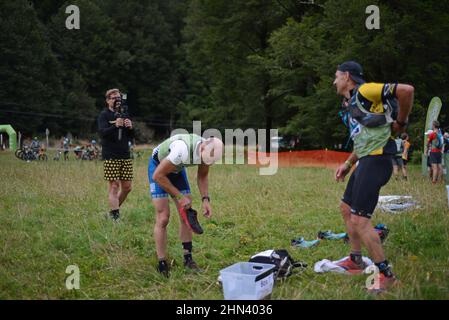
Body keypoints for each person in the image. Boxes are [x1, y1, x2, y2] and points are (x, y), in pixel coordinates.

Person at [333, 61, 413, 292]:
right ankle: (355, 260)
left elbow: (406, 90)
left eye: (337, 76)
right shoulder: (353, 105)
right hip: (366, 159)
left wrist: (401, 121)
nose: (334, 81)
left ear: (347, 76)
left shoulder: (365, 90)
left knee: (360, 220)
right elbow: (365, 140)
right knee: (346, 208)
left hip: (377, 161)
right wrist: (348, 164)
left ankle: (387, 276)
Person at [148, 133, 223, 277]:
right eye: (206, 159)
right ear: (202, 149)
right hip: (158, 168)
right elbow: (158, 176)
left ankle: (188, 259)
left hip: (176, 169)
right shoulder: (181, 150)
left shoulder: (208, 150)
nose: (207, 162)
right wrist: (179, 196)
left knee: (186, 214)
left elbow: (202, 176)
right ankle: (162, 262)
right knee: (163, 217)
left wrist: (205, 200)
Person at [98, 88, 134, 221]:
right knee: (114, 186)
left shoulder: (125, 114)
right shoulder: (104, 115)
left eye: (119, 98)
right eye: (114, 98)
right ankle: (115, 217)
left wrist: (130, 127)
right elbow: (102, 133)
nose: (117, 101)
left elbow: (131, 136)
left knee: (127, 187)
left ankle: (113, 211)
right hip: (110, 154)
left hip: (125, 154)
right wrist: (115, 126)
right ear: (108, 100)